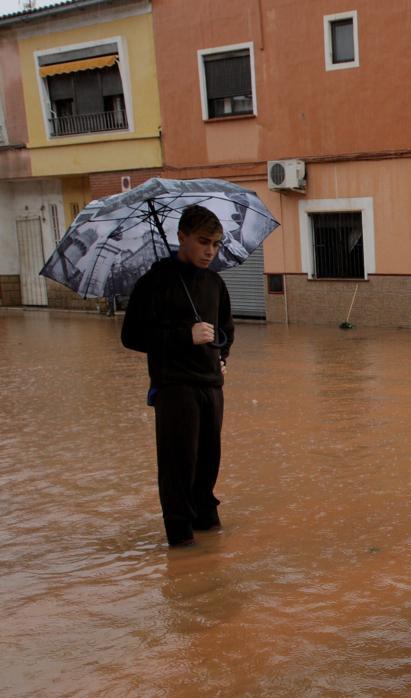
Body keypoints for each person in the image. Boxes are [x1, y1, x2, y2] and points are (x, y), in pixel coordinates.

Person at [121, 205, 233, 548]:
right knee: (178, 463)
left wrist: (223, 356)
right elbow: (132, 336)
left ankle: (205, 519)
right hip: (174, 387)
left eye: (215, 244)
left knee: (208, 459)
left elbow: (227, 330)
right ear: (181, 237)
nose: (210, 251)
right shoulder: (154, 282)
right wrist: (186, 335)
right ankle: (180, 536)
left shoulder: (215, 282)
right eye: (203, 242)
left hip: (211, 385)